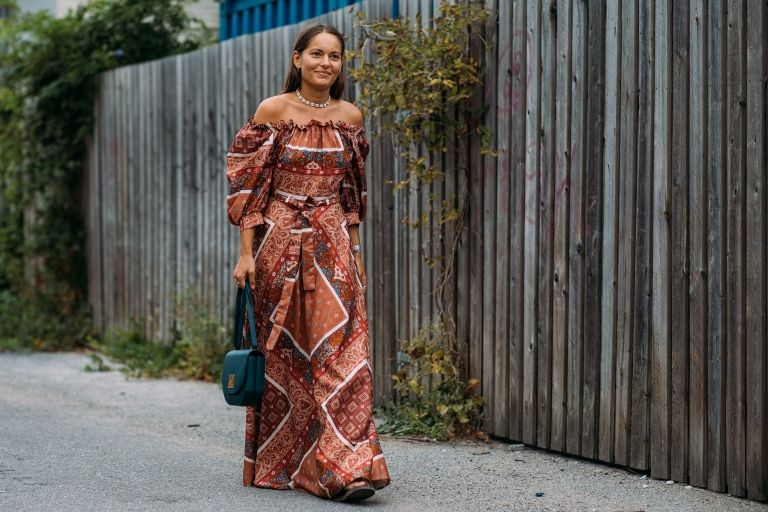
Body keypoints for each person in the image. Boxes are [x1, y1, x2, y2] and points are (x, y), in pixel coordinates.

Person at [225, 23, 391, 502]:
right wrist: (245, 254)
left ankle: (350, 468)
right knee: (286, 360)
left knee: (345, 355)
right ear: (297, 59)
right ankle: (297, 468)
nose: (325, 63)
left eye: (335, 56)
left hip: (333, 240)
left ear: (341, 64)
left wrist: (355, 256)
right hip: (278, 242)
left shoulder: (351, 116)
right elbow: (248, 185)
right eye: (316, 54)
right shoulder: (273, 111)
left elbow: (353, 195)